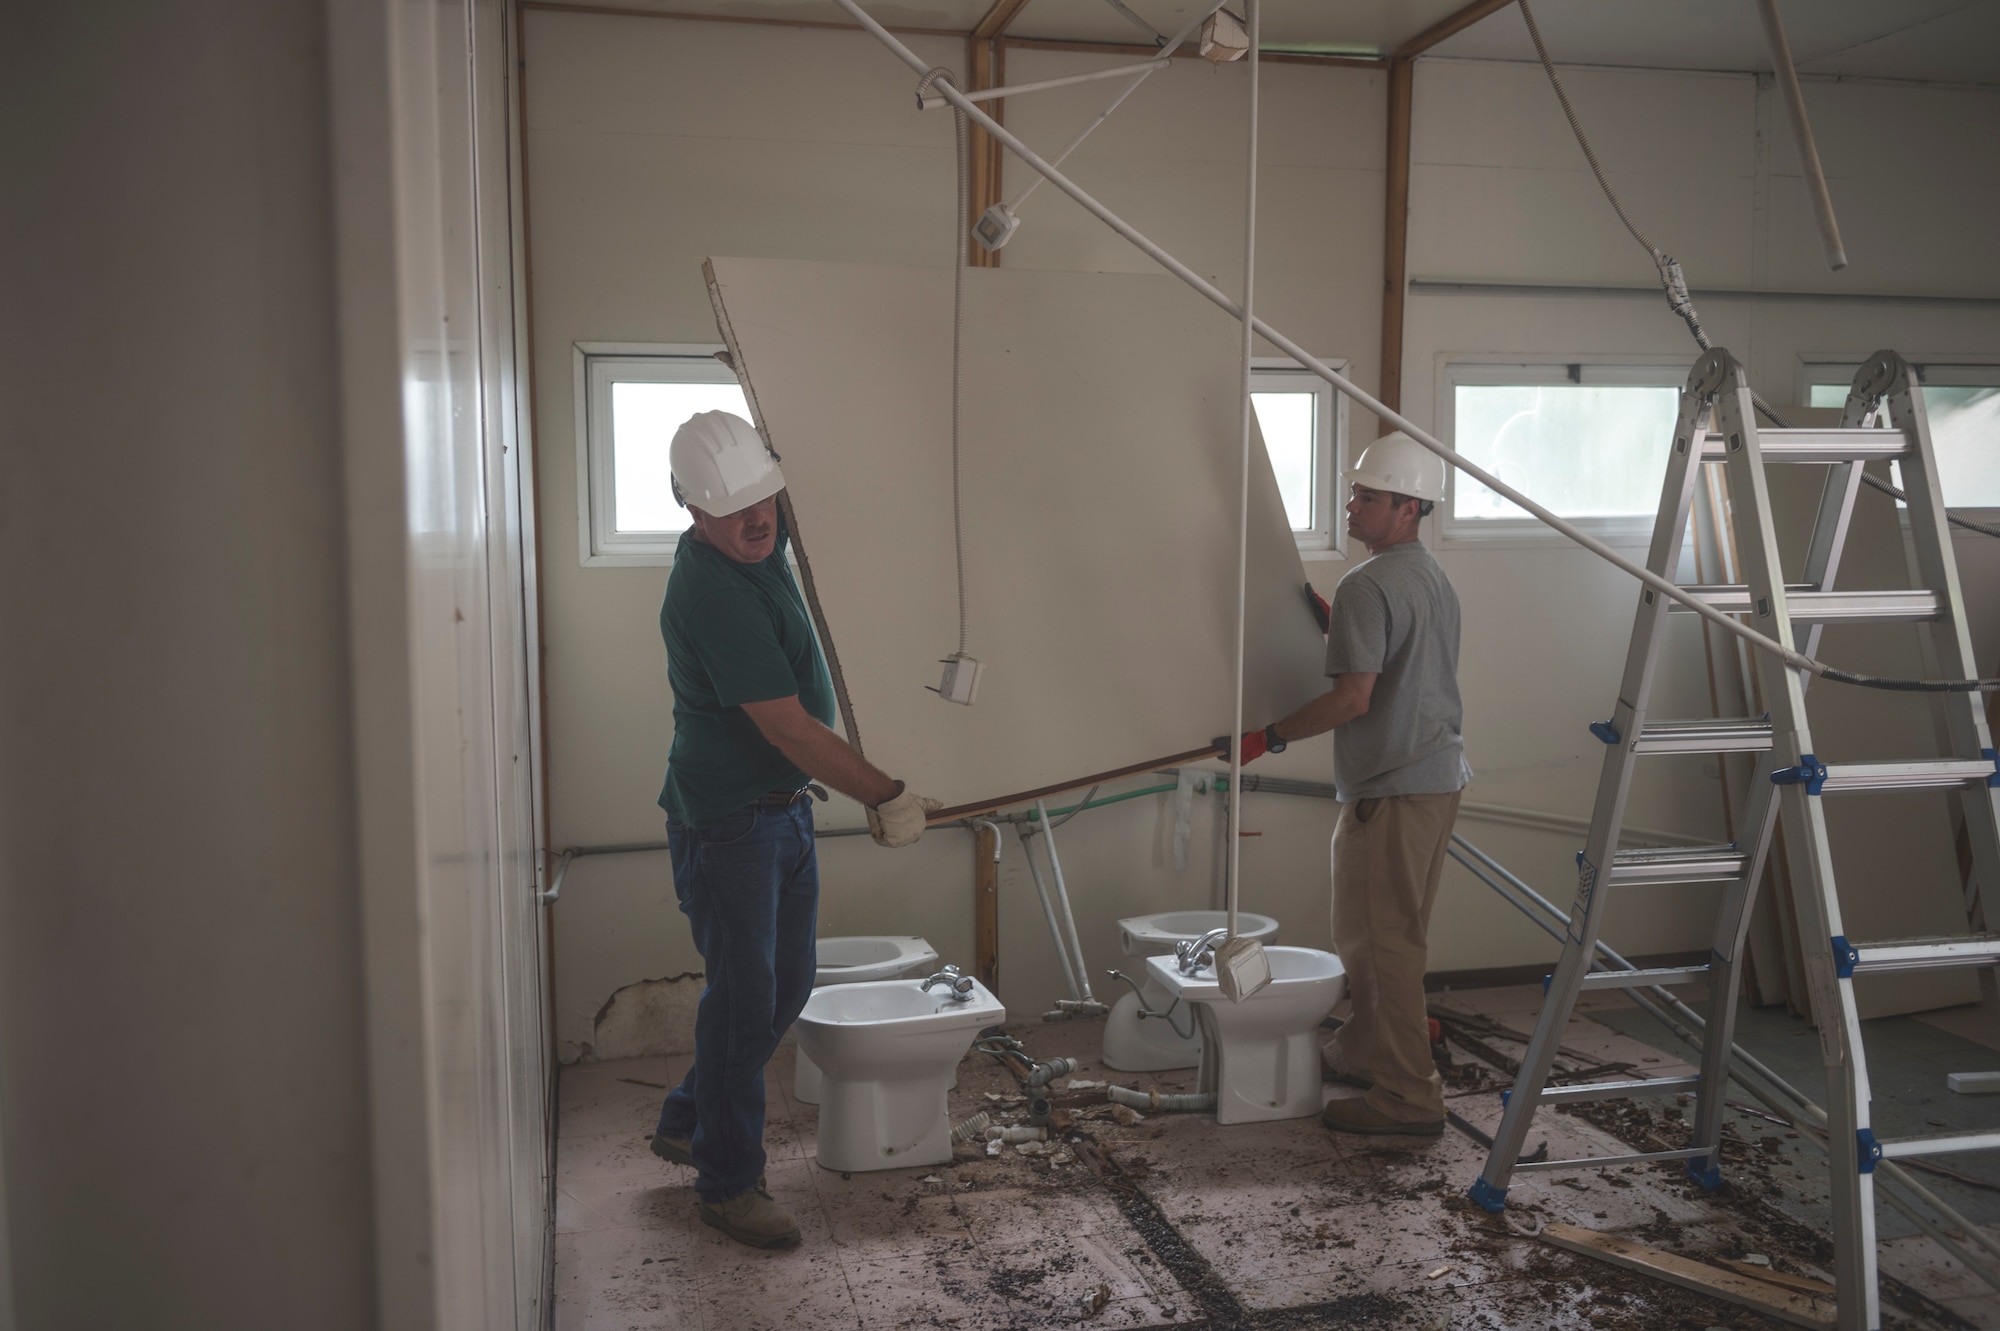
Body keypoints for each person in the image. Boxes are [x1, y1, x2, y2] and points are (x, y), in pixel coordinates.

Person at [649, 411, 939, 1249]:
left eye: (763, 498)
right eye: (732, 508)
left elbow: (815, 486)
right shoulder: (711, 589)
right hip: (733, 823)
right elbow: (790, 728)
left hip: (780, 808)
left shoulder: (756, 536)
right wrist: (886, 793)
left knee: (786, 984)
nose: (756, 519)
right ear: (688, 509)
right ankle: (727, 1182)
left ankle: (686, 1115)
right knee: (745, 1006)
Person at [1222, 430, 1469, 1137]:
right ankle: (1365, 1047)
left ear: (1408, 508)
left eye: (1367, 496)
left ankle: (1407, 1098)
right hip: (1436, 775)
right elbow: (1404, 666)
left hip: (1391, 787)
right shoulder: (1429, 576)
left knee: (1379, 943)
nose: (1352, 504)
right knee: (1391, 934)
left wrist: (1267, 735)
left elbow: (1354, 700)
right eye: (1355, 492)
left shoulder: (1369, 584)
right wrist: (1346, 633)